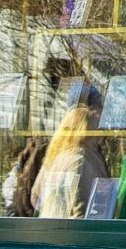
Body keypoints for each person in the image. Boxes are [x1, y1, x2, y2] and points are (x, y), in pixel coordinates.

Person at [34, 84, 109, 219]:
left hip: (51, 234)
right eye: (100, 111)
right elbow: (84, 215)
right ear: (91, 115)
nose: (103, 119)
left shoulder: (58, 153)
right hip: (73, 237)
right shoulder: (80, 158)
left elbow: (35, 199)